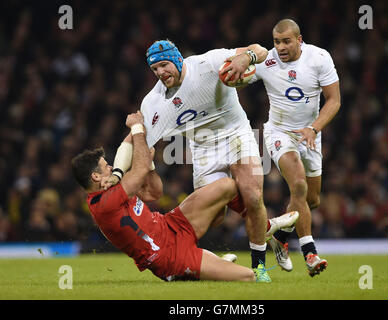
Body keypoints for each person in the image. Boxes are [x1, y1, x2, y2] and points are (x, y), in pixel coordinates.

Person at [108, 39, 297, 282]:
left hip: (235, 134)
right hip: (203, 148)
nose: (160, 73)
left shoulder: (207, 63)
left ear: (177, 59)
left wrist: (245, 57)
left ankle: (259, 269)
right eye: (154, 69)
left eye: (164, 65)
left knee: (252, 195)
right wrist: (116, 173)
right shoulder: (153, 102)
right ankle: (268, 228)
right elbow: (133, 140)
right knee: (215, 217)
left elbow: (260, 50)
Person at [71, 111, 257, 282]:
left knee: (227, 186)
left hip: (170, 225)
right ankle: (189, 272)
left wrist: (142, 134)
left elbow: (154, 192)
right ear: (95, 176)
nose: (111, 168)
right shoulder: (104, 203)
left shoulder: (111, 187)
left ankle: (254, 231)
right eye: (106, 166)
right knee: (248, 277)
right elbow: (139, 168)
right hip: (169, 257)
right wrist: (136, 129)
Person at [249, 19, 341, 277]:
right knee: (298, 185)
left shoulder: (319, 58)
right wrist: (235, 67)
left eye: (286, 41)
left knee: (311, 200)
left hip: (310, 133)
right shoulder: (266, 62)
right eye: (277, 42)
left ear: (299, 40)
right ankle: (310, 253)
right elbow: (238, 78)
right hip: (279, 132)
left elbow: (334, 100)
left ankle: (279, 235)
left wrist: (314, 128)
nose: (280, 47)